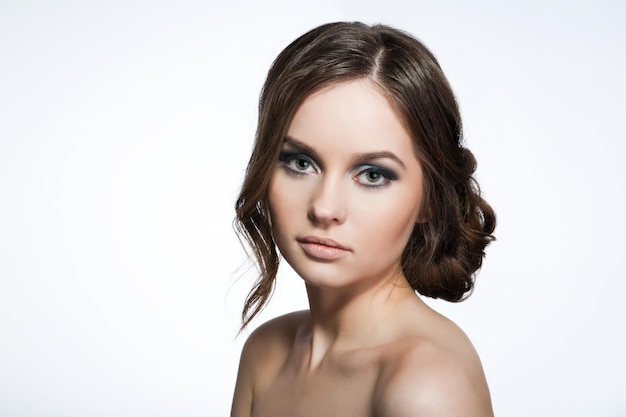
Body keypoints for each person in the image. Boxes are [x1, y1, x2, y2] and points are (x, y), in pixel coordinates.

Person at [231, 21, 496, 417]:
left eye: (373, 175)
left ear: (429, 198)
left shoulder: (428, 385)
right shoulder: (266, 352)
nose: (324, 208)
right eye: (300, 162)